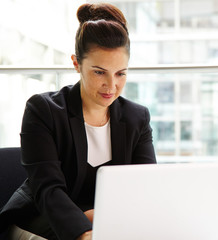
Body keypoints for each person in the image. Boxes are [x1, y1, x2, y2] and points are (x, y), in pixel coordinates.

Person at [0, 3, 156, 240]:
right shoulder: (43, 110)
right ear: (76, 64)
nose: (111, 86)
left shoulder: (137, 118)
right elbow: (48, 190)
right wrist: (85, 230)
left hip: (106, 220)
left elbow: (144, 187)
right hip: (41, 217)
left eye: (120, 73)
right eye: (99, 72)